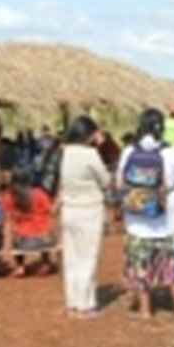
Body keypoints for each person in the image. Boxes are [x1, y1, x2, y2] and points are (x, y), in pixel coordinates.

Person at [118, 108, 174, 320]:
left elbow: (120, 183)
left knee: (141, 268)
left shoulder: (129, 151)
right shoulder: (173, 152)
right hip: (166, 222)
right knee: (173, 267)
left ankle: (145, 311)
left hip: (136, 222)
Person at [57, 115, 111, 317]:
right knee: (88, 257)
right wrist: (101, 146)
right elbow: (106, 181)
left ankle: (72, 302)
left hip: (69, 209)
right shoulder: (90, 154)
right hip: (89, 209)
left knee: (71, 258)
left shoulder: (66, 152)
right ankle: (86, 304)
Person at [1, 168, 56, 277]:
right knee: (44, 229)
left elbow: (7, 221)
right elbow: (51, 212)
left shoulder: (9, 196)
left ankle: (20, 266)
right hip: (43, 240)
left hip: (22, 242)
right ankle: (45, 263)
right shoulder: (39, 194)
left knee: (16, 234)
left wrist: (7, 245)